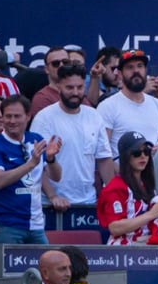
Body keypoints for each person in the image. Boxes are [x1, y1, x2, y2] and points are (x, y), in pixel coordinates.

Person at [31, 64, 115, 211]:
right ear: (58, 87)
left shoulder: (94, 116)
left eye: (80, 87)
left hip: (88, 202)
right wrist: (53, 197)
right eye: (69, 88)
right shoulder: (43, 118)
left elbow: (104, 159)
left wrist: (114, 195)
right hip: (50, 205)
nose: (75, 92)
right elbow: (37, 164)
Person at [0, 95, 61, 246]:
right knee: (9, 270)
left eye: (17, 116)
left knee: (44, 267)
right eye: (8, 116)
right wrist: (31, 164)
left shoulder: (36, 139)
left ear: (28, 116)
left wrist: (51, 159)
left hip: (36, 225)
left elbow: (56, 177)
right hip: (6, 225)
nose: (12, 121)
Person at [97, 131, 158, 244]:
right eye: (137, 153)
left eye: (146, 152)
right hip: (123, 251)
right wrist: (152, 214)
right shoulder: (115, 188)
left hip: (147, 247)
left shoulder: (147, 185)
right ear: (126, 156)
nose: (143, 156)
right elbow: (115, 228)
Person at [98, 49, 158, 157]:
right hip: (121, 172)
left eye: (140, 66)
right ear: (119, 73)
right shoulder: (107, 107)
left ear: (145, 70)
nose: (136, 71)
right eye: (130, 67)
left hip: (153, 172)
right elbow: (103, 154)